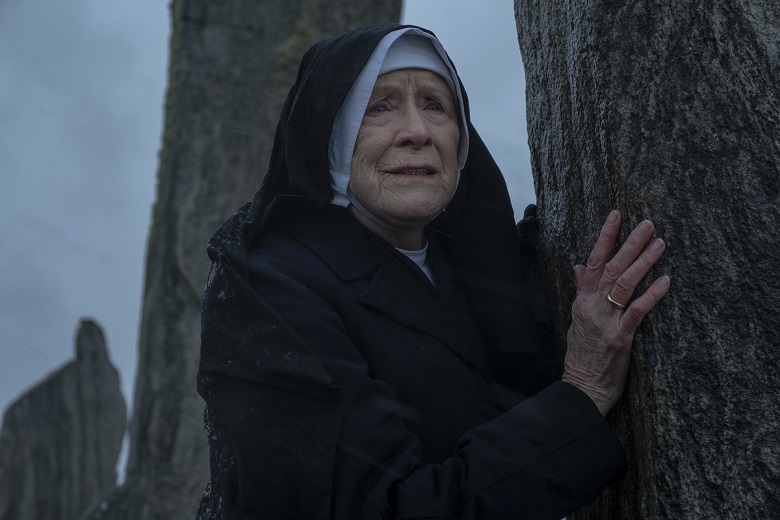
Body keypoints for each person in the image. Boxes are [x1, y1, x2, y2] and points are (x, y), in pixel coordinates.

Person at [196, 24, 670, 519]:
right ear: (329, 135)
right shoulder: (268, 293)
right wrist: (583, 392)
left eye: (435, 105)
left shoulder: (481, 270)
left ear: (461, 139)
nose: (417, 131)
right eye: (378, 107)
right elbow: (388, 509)